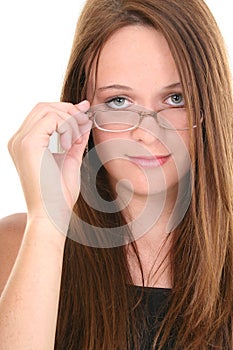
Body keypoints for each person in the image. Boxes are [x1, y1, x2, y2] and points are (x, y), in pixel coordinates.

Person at [0, 0, 232, 348]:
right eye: (119, 102)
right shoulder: (18, 244)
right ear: (81, 109)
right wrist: (47, 220)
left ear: (211, 102)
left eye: (175, 98)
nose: (148, 133)